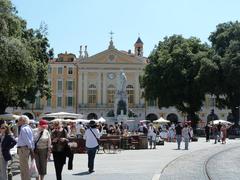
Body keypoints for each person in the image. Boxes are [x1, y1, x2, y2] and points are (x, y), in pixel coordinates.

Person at [17, 115, 35, 180]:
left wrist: (30, 148)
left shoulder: (23, 128)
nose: (18, 121)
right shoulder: (29, 128)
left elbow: (27, 140)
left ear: (23, 121)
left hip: (23, 149)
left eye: (19, 120)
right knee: (25, 167)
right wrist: (31, 148)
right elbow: (31, 140)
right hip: (25, 149)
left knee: (24, 168)